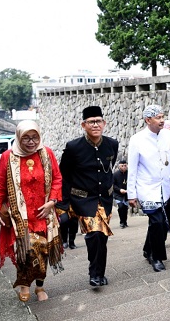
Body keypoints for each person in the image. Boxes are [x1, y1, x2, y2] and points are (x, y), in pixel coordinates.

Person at [0, 120, 63, 303]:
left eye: (34, 137)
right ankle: (24, 284)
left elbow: (57, 179)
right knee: (26, 251)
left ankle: (40, 286)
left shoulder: (47, 153)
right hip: (19, 216)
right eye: (26, 138)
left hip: (44, 213)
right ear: (18, 137)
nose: (31, 142)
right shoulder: (8, 156)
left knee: (43, 250)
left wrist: (52, 202)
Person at [57, 106, 119, 287]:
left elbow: (108, 168)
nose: (95, 125)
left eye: (98, 121)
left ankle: (99, 272)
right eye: (91, 122)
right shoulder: (73, 147)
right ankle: (95, 274)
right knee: (94, 235)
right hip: (83, 200)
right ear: (83, 125)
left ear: (104, 123)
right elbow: (64, 176)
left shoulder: (112, 144)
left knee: (102, 236)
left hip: (105, 200)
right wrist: (63, 204)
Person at [127, 105, 170, 272]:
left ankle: (148, 249)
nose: (162, 120)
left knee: (164, 223)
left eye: (163, 116)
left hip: (166, 187)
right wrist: (131, 194)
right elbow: (132, 169)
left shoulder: (169, 136)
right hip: (146, 188)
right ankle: (156, 257)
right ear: (148, 120)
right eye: (158, 117)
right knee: (157, 222)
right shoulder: (137, 139)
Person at [113, 160, 129, 228]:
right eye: (122, 166)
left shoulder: (129, 174)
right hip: (118, 194)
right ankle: (121, 222)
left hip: (126, 194)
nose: (124, 167)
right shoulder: (115, 174)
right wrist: (119, 190)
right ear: (119, 166)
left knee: (125, 208)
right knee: (121, 206)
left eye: (125, 165)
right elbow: (113, 185)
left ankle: (125, 221)